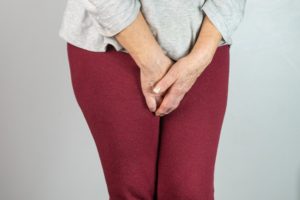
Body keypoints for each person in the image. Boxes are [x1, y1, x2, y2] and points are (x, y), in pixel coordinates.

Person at [58, 0, 246, 199]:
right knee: (132, 188)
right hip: (113, 40)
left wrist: (202, 55)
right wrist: (150, 59)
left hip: (203, 44)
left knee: (189, 192)